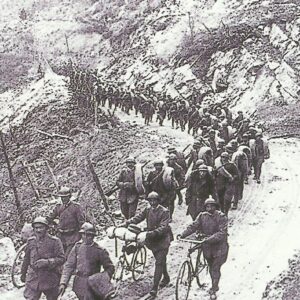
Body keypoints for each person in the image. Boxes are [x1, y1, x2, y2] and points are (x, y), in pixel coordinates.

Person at [123, 192, 173, 299]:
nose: (152, 203)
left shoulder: (164, 212)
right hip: (152, 240)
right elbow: (138, 218)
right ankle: (166, 277)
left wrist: (148, 234)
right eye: (150, 201)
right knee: (160, 260)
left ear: (158, 201)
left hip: (163, 240)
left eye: (154, 200)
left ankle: (154, 290)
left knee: (159, 262)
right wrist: (127, 223)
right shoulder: (148, 209)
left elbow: (163, 228)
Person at [178, 197, 228, 299]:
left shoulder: (221, 217)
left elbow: (222, 233)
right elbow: (193, 226)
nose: (209, 208)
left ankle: (214, 289)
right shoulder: (202, 216)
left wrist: (209, 239)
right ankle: (214, 284)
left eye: (212, 206)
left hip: (219, 247)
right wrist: (183, 234)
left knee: (215, 268)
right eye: (207, 206)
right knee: (210, 266)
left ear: (215, 207)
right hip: (208, 247)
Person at [59, 223, 115, 300]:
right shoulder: (77, 247)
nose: (85, 237)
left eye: (88, 235)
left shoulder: (100, 251)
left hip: (94, 284)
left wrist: (101, 279)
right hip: (80, 283)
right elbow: (69, 266)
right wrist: (63, 283)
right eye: (83, 235)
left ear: (93, 236)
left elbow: (110, 268)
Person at [21, 217, 65, 300]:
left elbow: (62, 258)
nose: (38, 230)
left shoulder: (55, 241)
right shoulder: (31, 241)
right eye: (36, 228)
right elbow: (26, 259)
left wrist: (47, 262)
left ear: (46, 228)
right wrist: (23, 273)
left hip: (50, 277)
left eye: (41, 227)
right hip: (33, 278)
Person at [47, 186, 85, 257]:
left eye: (65, 197)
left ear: (69, 196)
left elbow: (81, 222)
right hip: (61, 236)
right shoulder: (58, 207)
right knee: (58, 256)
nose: (63, 199)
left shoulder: (76, 207)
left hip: (73, 236)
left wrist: (82, 236)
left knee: (68, 257)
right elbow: (50, 217)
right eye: (62, 197)